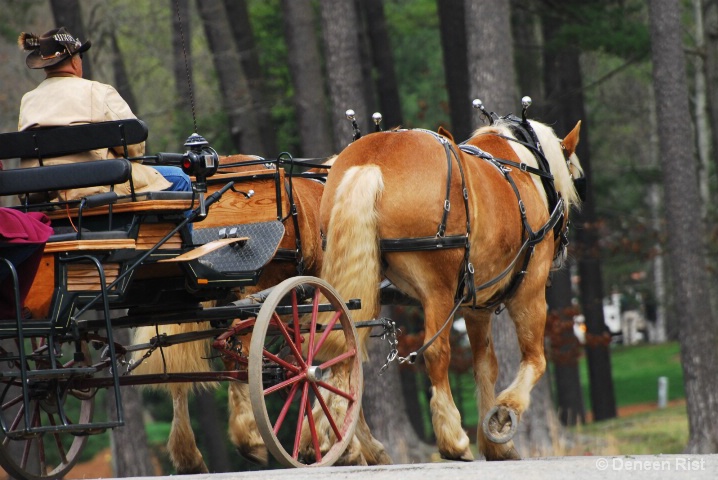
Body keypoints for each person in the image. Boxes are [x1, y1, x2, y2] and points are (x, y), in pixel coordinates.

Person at [17, 27, 191, 201]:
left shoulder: (28, 101)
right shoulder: (98, 92)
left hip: (44, 192)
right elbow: (134, 146)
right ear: (74, 62)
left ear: (46, 67)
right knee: (180, 178)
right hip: (96, 187)